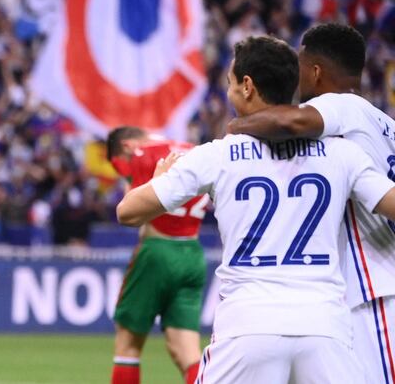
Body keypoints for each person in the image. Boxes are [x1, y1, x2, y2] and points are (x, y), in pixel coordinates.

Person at [117, 35, 395, 383]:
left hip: (249, 325)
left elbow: (127, 212)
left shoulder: (215, 155)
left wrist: (157, 179)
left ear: (247, 86)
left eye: (230, 83)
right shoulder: (343, 154)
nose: (229, 91)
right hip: (325, 328)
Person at [226, 23, 395, 383]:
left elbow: (294, 121)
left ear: (315, 71)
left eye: (300, 64)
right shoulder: (384, 122)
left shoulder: (342, 106)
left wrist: (236, 128)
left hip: (377, 289)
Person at [105, 127, 208, 384]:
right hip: (193, 254)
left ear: (127, 145)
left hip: (157, 249)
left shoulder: (142, 153)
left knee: (128, 344)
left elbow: (131, 209)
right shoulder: (195, 151)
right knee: (187, 352)